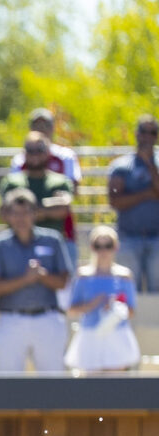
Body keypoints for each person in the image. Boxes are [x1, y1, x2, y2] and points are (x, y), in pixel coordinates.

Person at [0, 189, 72, 373]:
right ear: (7, 215)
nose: (21, 218)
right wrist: (25, 279)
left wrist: (42, 276)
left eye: (25, 212)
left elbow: (63, 282)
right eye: (15, 213)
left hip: (47, 319)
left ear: (35, 213)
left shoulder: (53, 240)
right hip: (10, 319)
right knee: (8, 386)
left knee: (53, 383)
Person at [65, 226, 140, 374]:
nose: (103, 251)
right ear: (92, 247)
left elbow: (131, 311)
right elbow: (71, 310)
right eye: (98, 246)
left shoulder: (124, 276)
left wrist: (116, 308)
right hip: (90, 335)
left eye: (108, 246)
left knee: (116, 384)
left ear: (116, 247)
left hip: (116, 335)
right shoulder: (83, 275)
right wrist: (91, 305)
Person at [108, 115, 159, 295]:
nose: (147, 136)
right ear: (137, 134)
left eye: (152, 132)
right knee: (127, 292)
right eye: (144, 131)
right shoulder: (121, 166)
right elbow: (116, 201)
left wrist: (151, 165)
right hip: (129, 238)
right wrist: (147, 194)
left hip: (157, 238)